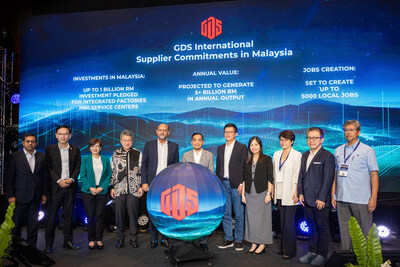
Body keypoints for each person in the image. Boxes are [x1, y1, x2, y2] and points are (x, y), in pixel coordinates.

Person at [331, 120, 379, 250]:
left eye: (351, 130)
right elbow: (335, 173)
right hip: (341, 198)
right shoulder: (338, 150)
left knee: (365, 233)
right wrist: (333, 194)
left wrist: (373, 198)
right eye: (346, 130)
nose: (348, 133)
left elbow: (374, 175)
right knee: (345, 233)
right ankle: (347, 261)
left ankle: (366, 262)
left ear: (358, 132)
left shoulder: (367, 150)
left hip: (361, 199)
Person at [297, 127, 335, 266]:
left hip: (320, 200)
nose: (311, 140)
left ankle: (322, 254)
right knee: (311, 226)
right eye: (309, 137)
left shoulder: (327, 156)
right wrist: (300, 193)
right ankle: (312, 251)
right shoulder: (305, 155)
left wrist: (322, 198)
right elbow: (301, 176)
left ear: (322, 139)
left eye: (314, 138)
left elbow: (328, 179)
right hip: (306, 199)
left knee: (322, 227)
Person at [141, 123, 179, 249]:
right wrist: (144, 182)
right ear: (156, 131)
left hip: (168, 184)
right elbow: (144, 164)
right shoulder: (149, 145)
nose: (162, 132)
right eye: (160, 130)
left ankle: (164, 238)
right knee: (153, 211)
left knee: (166, 212)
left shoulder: (174, 146)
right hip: (152, 183)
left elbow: (176, 167)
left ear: (168, 132)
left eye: (165, 130)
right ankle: (153, 239)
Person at [44, 125, 81, 253]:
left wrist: (71, 179)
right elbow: (48, 168)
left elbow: (77, 167)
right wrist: (59, 181)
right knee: (51, 217)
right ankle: (48, 244)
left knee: (69, 216)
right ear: (56, 135)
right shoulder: (50, 149)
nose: (63, 136)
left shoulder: (75, 149)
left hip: (70, 187)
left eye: (65, 134)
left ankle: (68, 241)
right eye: (60, 134)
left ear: (70, 135)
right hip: (56, 188)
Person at [6, 133, 47, 247]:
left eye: (33, 141)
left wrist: (44, 194)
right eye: (28, 141)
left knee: (33, 225)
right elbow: (9, 177)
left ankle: (31, 249)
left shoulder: (41, 156)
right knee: (16, 225)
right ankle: (14, 248)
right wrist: (10, 195)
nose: (30, 143)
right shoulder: (15, 156)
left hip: (35, 196)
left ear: (36, 143)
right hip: (19, 197)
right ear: (23, 143)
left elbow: (44, 177)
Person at [216, 123, 247, 251]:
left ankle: (238, 240)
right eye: (226, 132)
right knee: (226, 213)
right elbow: (218, 168)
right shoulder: (220, 148)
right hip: (223, 183)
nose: (228, 134)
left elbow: (245, 167)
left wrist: (242, 183)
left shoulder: (242, 147)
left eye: (230, 131)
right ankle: (229, 238)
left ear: (236, 133)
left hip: (237, 185)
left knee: (239, 214)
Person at [110, 130, 144, 249]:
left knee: (133, 215)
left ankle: (133, 238)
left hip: (134, 189)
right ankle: (120, 238)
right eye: (124, 140)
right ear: (121, 141)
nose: (127, 142)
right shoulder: (116, 153)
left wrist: (140, 186)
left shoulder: (138, 153)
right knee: (119, 215)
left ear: (132, 141)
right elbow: (113, 171)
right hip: (119, 189)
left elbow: (141, 171)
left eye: (129, 140)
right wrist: (112, 187)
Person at [181, 132, 214, 250]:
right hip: (189, 191)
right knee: (190, 216)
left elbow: (211, 173)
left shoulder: (209, 155)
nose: (197, 142)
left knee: (203, 216)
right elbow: (183, 174)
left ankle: (203, 241)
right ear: (191, 142)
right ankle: (190, 239)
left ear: (203, 142)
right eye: (194, 140)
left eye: (199, 140)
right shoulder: (185, 155)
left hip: (203, 191)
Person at [273, 130, 302, 259]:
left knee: (289, 223)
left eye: (285, 140)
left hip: (290, 193)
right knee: (282, 221)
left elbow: (297, 176)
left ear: (292, 141)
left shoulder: (297, 155)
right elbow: (274, 175)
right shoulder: (276, 154)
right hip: (278, 192)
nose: (283, 142)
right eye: (281, 140)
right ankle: (283, 248)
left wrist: (296, 193)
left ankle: (290, 251)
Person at [242, 136, 273, 254]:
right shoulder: (247, 160)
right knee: (251, 219)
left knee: (262, 219)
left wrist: (269, 193)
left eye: (256, 144)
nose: (253, 147)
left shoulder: (266, 159)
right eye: (251, 145)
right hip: (249, 193)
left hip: (262, 192)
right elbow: (244, 178)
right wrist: (243, 195)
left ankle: (262, 243)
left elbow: (270, 178)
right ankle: (253, 242)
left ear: (260, 146)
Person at [80, 138, 111, 250]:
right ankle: (91, 239)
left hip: (102, 191)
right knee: (90, 216)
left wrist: (102, 187)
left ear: (101, 148)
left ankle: (99, 239)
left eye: (97, 146)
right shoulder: (86, 159)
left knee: (100, 216)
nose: (95, 148)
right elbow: (82, 176)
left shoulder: (106, 159)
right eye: (93, 146)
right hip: (88, 192)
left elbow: (108, 175)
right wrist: (91, 188)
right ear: (90, 148)